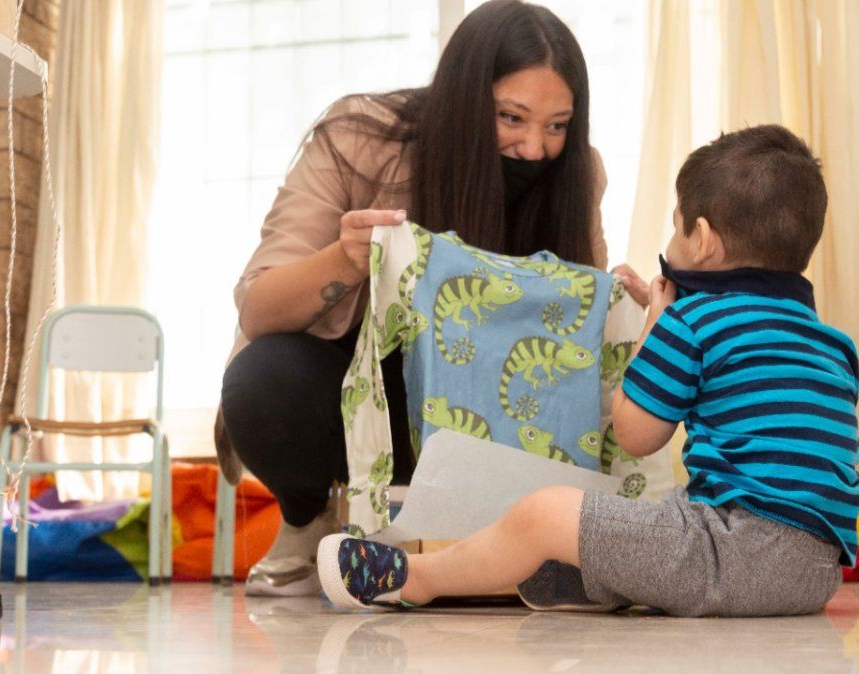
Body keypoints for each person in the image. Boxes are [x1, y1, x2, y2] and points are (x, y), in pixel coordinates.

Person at [316, 125, 859, 617]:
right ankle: (593, 581)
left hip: (733, 557)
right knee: (663, 511)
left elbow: (636, 434)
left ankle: (417, 579)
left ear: (701, 240)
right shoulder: (832, 343)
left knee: (543, 511)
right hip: (817, 575)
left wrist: (654, 331)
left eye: (675, 231)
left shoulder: (693, 320)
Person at [219, 0, 647, 596]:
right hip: (364, 384)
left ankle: (498, 545)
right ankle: (308, 518)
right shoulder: (360, 138)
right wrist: (345, 256)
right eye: (511, 117)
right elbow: (259, 307)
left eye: (557, 125)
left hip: (492, 402)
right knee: (263, 381)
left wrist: (627, 308)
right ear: (468, 102)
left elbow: (578, 329)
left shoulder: (578, 173)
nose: (533, 147)